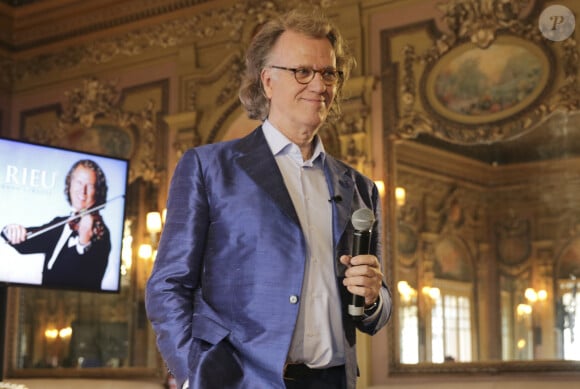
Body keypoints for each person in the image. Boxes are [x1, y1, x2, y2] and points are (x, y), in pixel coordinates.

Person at [145, 8, 391, 389]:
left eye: (328, 73)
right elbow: (168, 285)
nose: (319, 85)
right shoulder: (208, 167)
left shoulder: (360, 188)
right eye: (303, 71)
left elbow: (376, 308)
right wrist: (192, 372)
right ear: (268, 81)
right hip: (237, 381)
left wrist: (374, 298)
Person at [1, 159, 111, 291]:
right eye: (79, 183)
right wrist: (10, 231)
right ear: (70, 185)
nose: (83, 191)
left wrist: (83, 243)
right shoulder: (61, 223)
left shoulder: (100, 232)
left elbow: (85, 276)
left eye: (90, 185)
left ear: (98, 191)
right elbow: (27, 244)